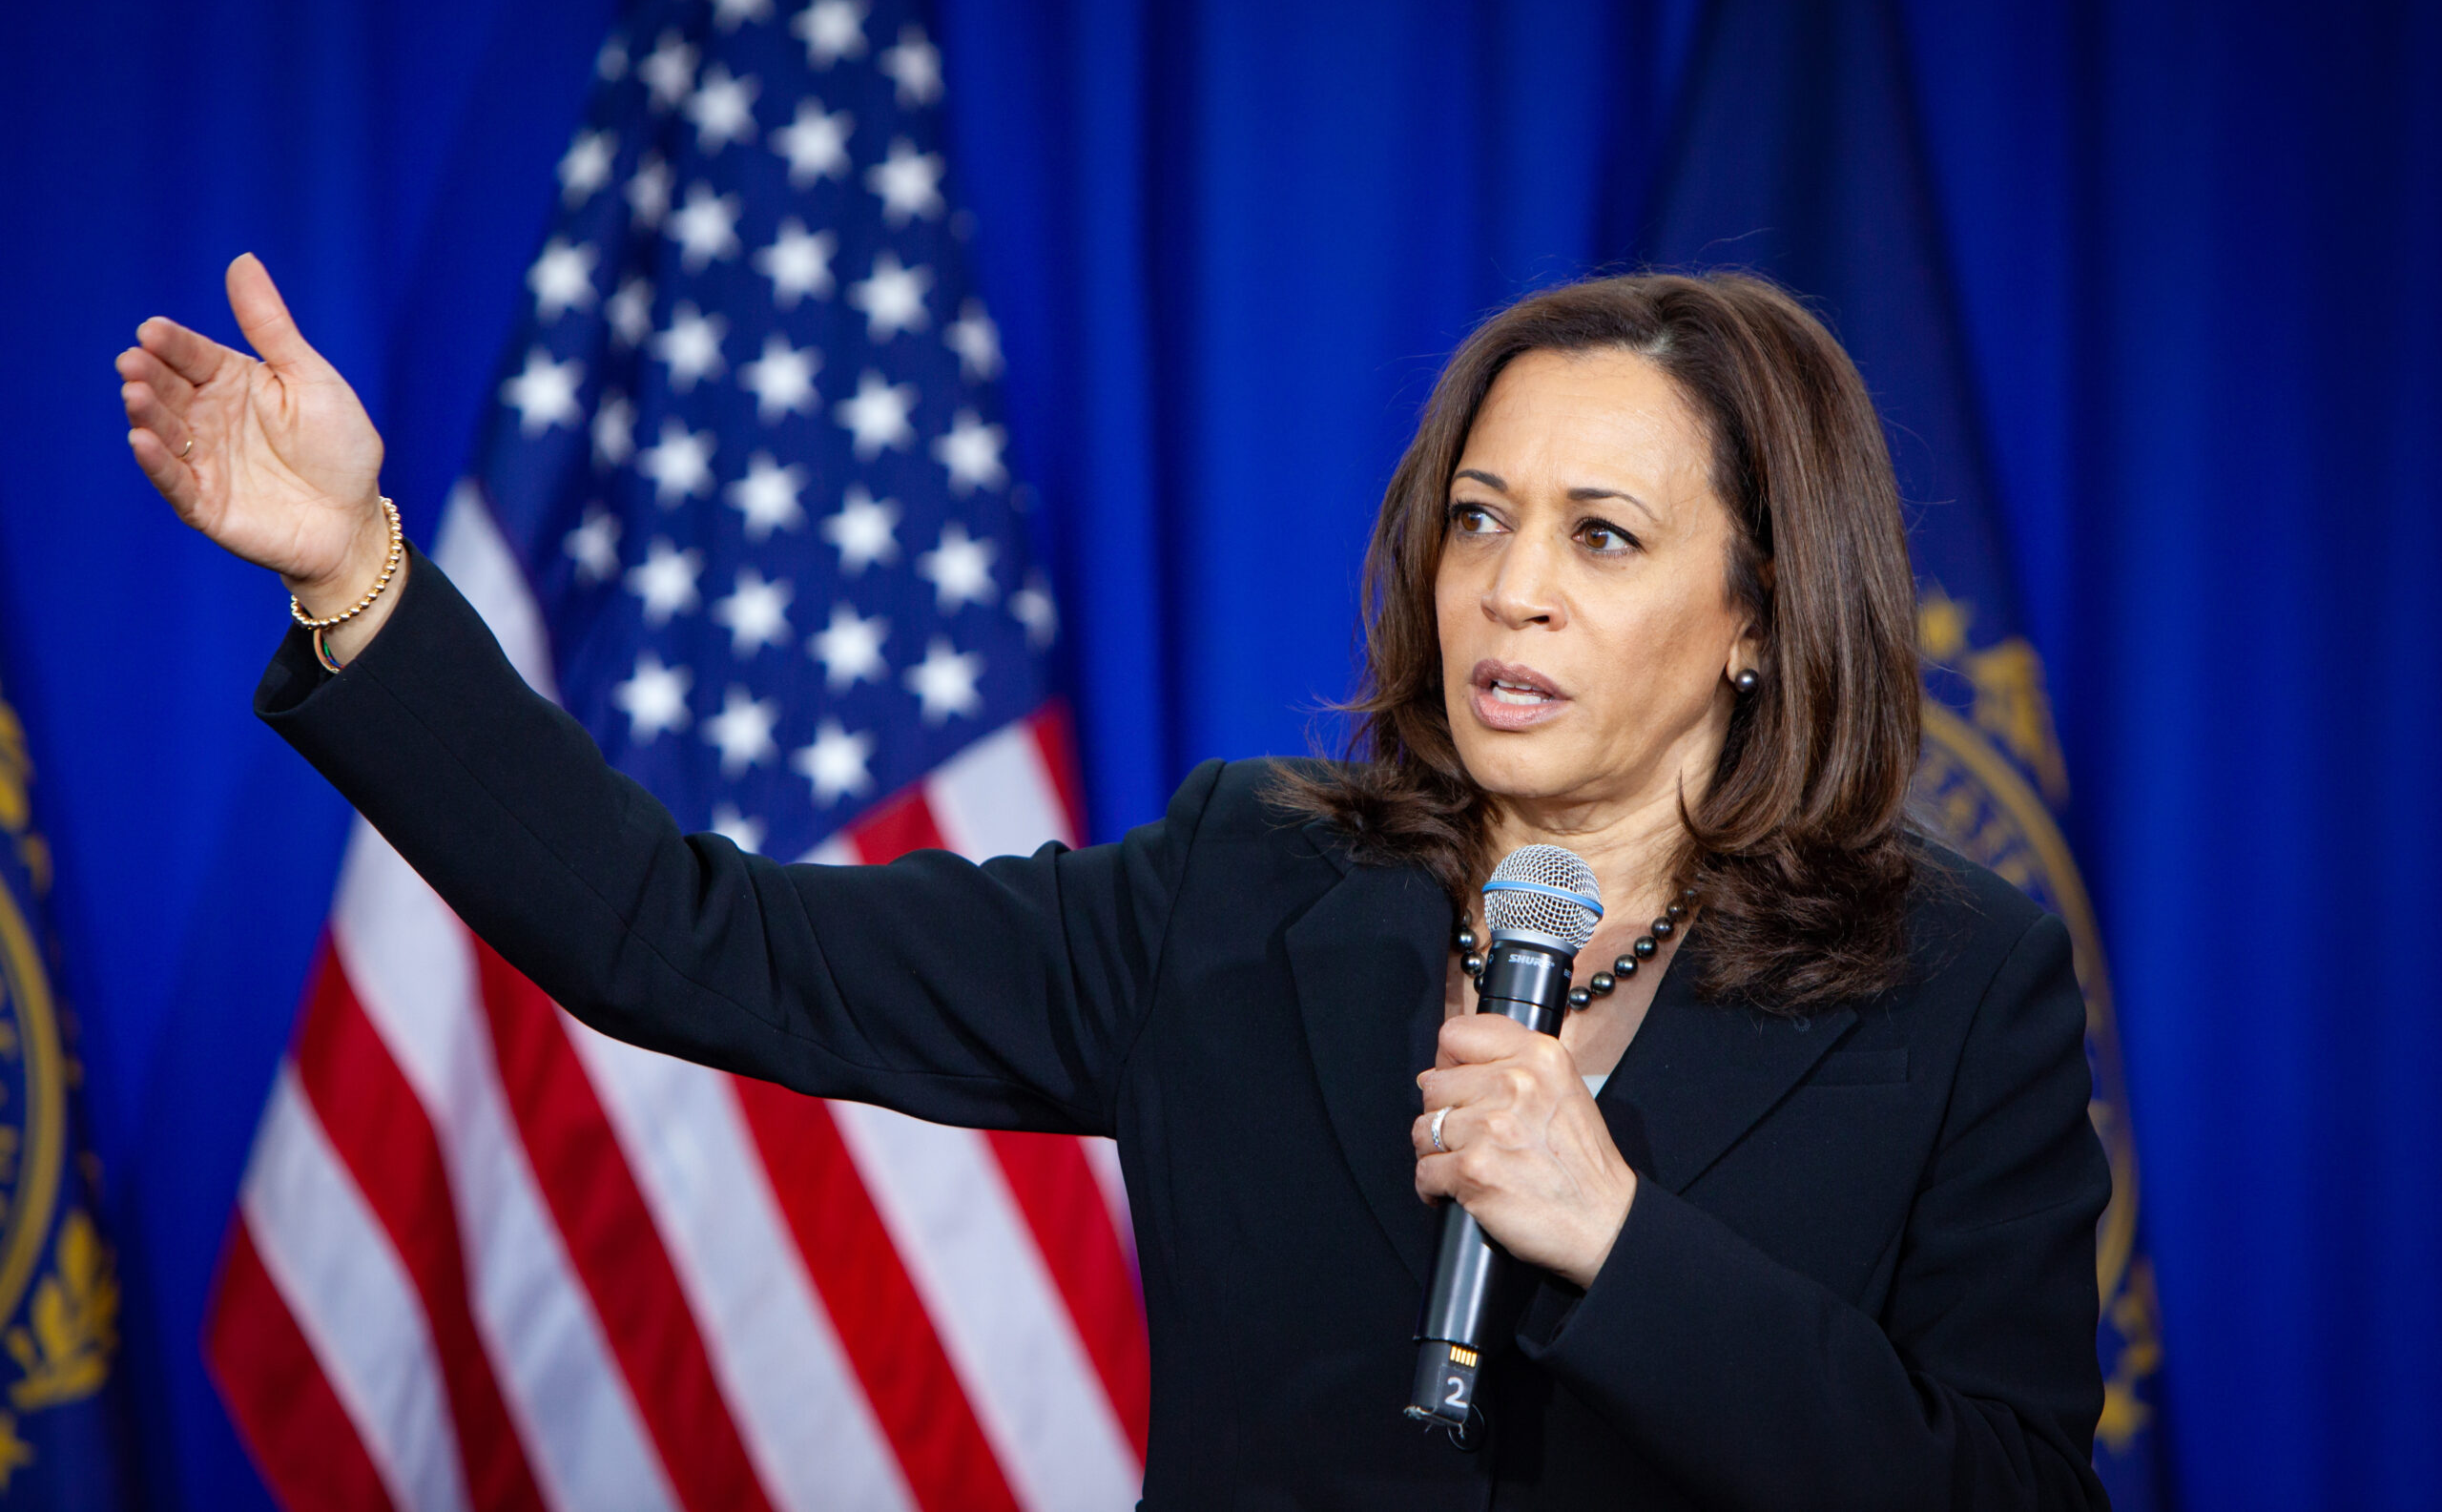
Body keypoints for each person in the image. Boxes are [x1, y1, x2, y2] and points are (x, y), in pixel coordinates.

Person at [117, 258, 2110, 1509]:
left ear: (1758, 611)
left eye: (1602, 537)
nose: (1510, 585)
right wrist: (356, 575)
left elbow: (2009, 1485)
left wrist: (1616, 1233)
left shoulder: (1954, 988)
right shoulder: (1244, 886)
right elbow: (681, 936)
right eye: (1480, 518)